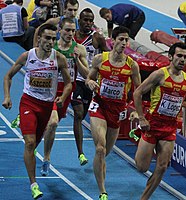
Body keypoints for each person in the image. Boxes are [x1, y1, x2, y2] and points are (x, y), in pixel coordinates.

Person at [2, 23, 72, 199]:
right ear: (39, 38)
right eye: (47, 38)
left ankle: (34, 162)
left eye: (53, 39)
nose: (50, 41)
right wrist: (7, 97)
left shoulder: (59, 59)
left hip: (46, 106)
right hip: (29, 103)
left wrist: (63, 97)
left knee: (35, 144)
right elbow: (8, 76)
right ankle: (34, 184)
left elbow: (69, 83)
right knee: (30, 143)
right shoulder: (28, 56)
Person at [131, 42, 186, 199]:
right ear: (170, 57)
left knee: (162, 166)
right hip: (152, 125)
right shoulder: (159, 75)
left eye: (185, 57)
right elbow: (137, 93)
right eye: (179, 56)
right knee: (142, 167)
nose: (182, 59)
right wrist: (141, 118)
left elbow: (185, 102)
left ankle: (144, 198)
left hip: (169, 128)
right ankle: (139, 136)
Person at [85, 26, 141, 200]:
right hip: (99, 106)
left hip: (118, 111)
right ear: (113, 40)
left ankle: (100, 177)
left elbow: (138, 91)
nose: (124, 43)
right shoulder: (100, 59)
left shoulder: (132, 66)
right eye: (121, 39)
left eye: (127, 40)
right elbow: (89, 78)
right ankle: (103, 191)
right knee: (100, 148)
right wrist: (90, 83)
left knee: (104, 153)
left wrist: (136, 111)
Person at [40, 18, 89, 176]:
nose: (70, 33)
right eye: (67, 30)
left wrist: (76, 60)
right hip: (52, 90)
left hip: (68, 90)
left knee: (54, 123)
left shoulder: (79, 49)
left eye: (73, 31)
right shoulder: (51, 46)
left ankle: (35, 145)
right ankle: (46, 158)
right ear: (59, 30)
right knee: (53, 123)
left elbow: (86, 74)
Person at [72, 8, 109, 166]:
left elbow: (108, 56)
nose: (88, 23)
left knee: (84, 114)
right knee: (78, 114)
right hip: (75, 81)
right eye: (85, 20)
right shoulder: (71, 36)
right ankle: (80, 153)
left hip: (90, 81)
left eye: (90, 20)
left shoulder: (97, 38)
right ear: (79, 20)